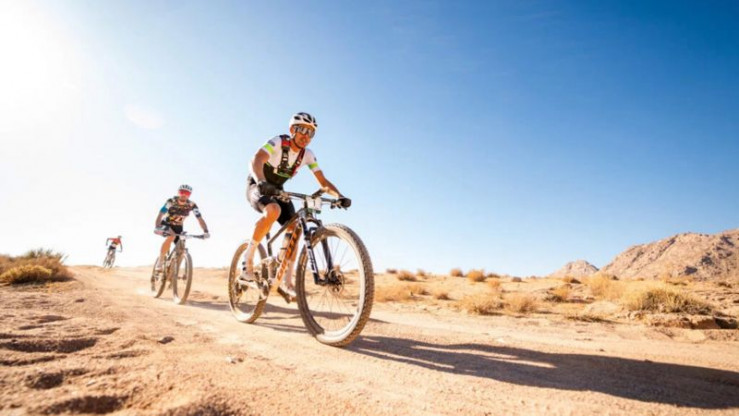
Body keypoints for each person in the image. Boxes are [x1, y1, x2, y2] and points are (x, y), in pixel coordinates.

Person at [242, 112, 351, 300]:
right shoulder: (278, 142)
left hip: (278, 190)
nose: (306, 136)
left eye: (311, 133)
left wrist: (339, 196)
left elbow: (323, 182)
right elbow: (256, 159)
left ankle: (286, 280)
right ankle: (247, 262)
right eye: (303, 130)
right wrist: (261, 181)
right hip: (258, 185)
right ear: (293, 129)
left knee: (295, 227)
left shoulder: (307, 155)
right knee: (273, 210)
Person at [154, 184, 210, 270]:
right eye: (182, 192)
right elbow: (161, 213)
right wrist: (157, 225)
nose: (184, 194)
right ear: (178, 192)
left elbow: (199, 218)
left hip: (179, 227)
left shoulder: (192, 205)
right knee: (172, 236)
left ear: (189, 195)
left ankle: (174, 272)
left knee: (181, 246)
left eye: (187, 193)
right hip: (166, 224)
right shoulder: (171, 201)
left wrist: (206, 231)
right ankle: (160, 261)